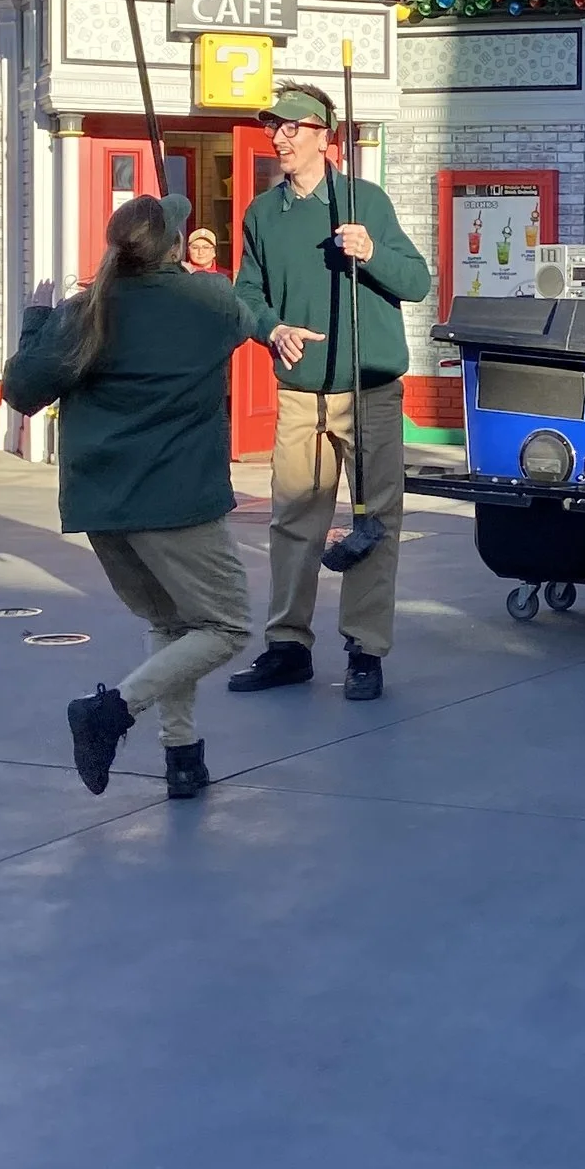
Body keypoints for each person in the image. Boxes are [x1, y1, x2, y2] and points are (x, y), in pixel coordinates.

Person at [3, 195, 260, 800]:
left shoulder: (83, 311)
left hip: (103, 503)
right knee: (226, 626)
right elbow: (249, 319)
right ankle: (113, 710)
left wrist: (36, 319)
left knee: (171, 623)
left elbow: (21, 390)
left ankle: (182, 757)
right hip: (176, 500)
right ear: (174, 247)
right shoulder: (208, 302)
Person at [227, 85, 430, 704]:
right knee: (292, 518)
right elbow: (246, 293)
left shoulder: (364, 202)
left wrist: (370, 253)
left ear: (325, 137)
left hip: (368, 389)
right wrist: (272, 328)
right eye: (275, 127)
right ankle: (287, 645)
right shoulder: (263, 214)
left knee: (373, 521)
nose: (281, 137)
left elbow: (417, 281)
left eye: (294, 127)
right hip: (299, 393)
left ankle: (365, 648)